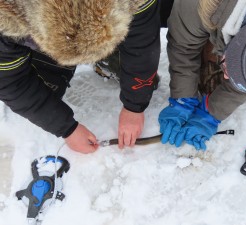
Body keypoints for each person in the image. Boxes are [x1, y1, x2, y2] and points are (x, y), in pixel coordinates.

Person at [0, 0, 163, 153]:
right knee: (46, 94)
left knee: (140, 73)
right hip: (24, 26)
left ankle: (110, 54)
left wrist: (135, 105)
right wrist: (66, 128)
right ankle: (49, 58)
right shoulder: (6, 16)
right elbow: (11, 84)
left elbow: (143, 46)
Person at [159, 0, 246, 150]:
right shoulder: (198, 6)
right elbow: (183, 49)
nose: (225, 77)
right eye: (227, 69)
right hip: (209, 12)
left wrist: (212, 112)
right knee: (208, 81)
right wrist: (183, 96)